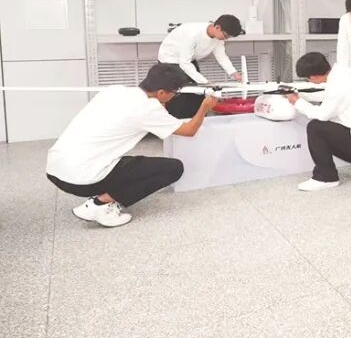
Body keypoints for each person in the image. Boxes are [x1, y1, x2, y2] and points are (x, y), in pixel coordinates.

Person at [45, 63, 216, 228]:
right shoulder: (148, 109)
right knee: (173, 168)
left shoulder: (114, 90)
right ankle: (100, 205)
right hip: (80, 180)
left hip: (55, 169)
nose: (175, 96)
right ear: (161, 92)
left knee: (130, 163)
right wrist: (204, 107)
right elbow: (189, 130)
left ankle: (102, 197)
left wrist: (157, 107)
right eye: (175, 93)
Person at [288, 52, 351, 191]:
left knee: (316, 128)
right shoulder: (341, 74)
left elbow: (322, 115)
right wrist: (300, 95)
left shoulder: (339, 86)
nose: (309, 81)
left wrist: (297, 102)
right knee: (329, 132)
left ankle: (326, 177)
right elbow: (326, 95)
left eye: (307, 78)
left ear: (314, 76)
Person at [157, 14, 244, 118]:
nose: (225, 39)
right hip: (169, 60)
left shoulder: (218, 38)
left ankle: (197, 123)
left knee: (198, 95)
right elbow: (184, 63)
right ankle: (180, 124)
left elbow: (221, 55)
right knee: (180, 99)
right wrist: (205, 82)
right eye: (225, 36)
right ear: (217, 27)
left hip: (188, 60)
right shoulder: (193, 34)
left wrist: (233, 73)